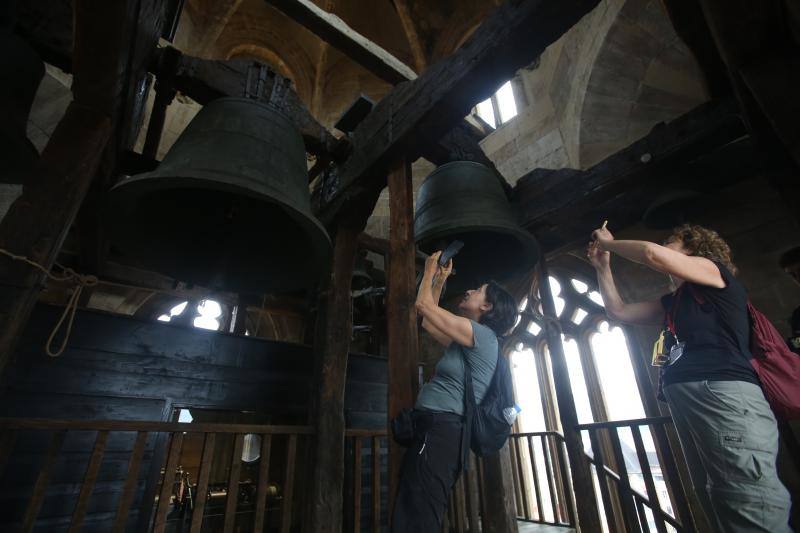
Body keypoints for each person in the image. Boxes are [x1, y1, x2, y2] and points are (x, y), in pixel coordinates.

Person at [586, 223, 792, 532]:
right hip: (692, 403)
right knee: (713, 496)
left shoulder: (714, 272)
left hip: (726, 396)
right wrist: (603, 267)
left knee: (748, 499)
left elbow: (650, 254)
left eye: (672, 241)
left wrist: (610, 244)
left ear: (694, 249)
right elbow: (619, 312)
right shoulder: (677, 301)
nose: (663, 244)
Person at [391, 251, 517, 532]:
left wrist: (428, 269)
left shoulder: (481, 336)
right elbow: (426, 321)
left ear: (487, 306)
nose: (470, 290)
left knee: (418, 516)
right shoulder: (468, 341)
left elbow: (422, 305)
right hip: (436, 430)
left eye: (478, 290)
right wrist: (438, 280)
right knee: (416, 508)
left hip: (441, 432)